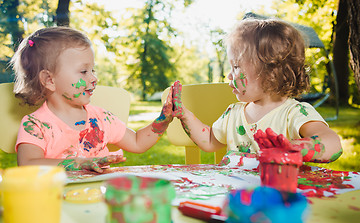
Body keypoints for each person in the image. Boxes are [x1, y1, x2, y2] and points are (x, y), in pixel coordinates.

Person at [172, 18, 343, 163]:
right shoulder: (233, 114)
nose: (230, 76)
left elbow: (332, 142)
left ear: (270, 72)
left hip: (277, 196)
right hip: (237, 196)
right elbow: (209, 141)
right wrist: (185, 115)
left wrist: (297, 149)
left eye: (236, 67)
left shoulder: (295, 113)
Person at [11, 26, 175, 173]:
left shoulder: (101, 119)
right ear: (49, 80)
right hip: (56, 200)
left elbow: (138, 142)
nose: (94, 78)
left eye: (93, 70)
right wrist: (78, 163)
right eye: (83, 71)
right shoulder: (35, 125)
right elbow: (27, 164)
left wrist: (164, 119)